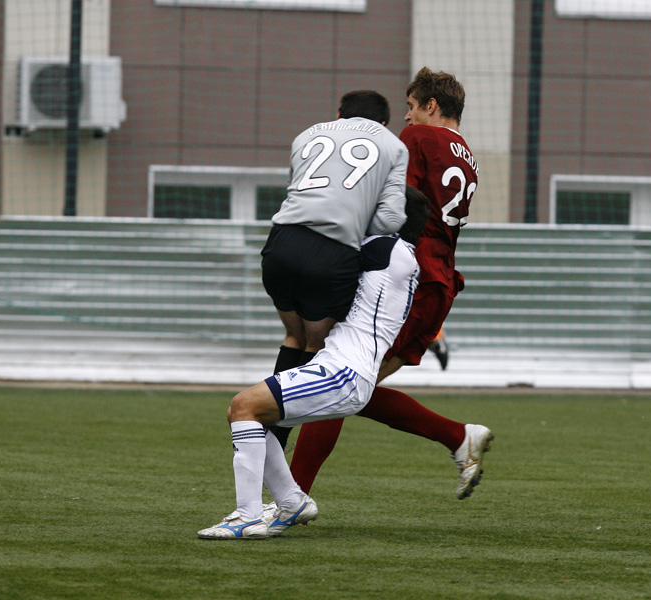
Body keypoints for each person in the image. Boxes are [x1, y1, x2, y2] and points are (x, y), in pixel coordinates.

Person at [288, 68, 491, 501]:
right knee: (350, 386)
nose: (407, 117)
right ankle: (458, 437)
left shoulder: (418, 138)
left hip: (407, 278)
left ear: (431, 105)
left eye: (412, 107)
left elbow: (396, 205)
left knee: (336, 381)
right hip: (440, 282)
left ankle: (291, 498)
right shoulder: (467, 155)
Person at [197, 187, 431, 540]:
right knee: (246, 415)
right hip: (345, 369)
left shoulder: (386, 248)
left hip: (343, 372)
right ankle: (292, 502)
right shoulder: (397, 254)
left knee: (245, 407)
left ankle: (247, 517)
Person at [261, 90, 408, 383]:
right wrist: (359, 221)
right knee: (317, 344)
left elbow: (294, 189)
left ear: (339, 114)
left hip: (282, 242)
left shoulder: (307, 134)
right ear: (383, 123)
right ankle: (282, 415)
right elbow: (391, 219)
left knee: (293, 337)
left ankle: (267, 412)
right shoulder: (393, 145)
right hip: (332, 253)